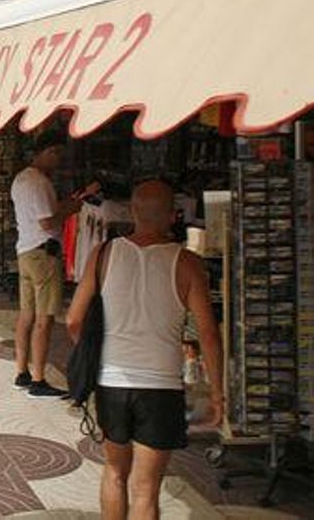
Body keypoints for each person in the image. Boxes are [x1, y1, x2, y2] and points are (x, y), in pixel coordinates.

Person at [66, 180, 224, 520]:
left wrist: (95, 354)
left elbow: (73, 320)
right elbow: (209, 335)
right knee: (146, 488)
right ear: (172, 215)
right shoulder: (188, 263)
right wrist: (217, 395)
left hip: (112, 381)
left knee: (114, 473)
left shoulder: (103, 254)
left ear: (132, 212)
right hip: (161, 386)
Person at [10, 131, 82, 398]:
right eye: (57, 154)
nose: (59, 161)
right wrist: (71, 208)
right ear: (46, 152)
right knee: (44, 319)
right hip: (43, 253)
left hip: (26, 251)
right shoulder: (39, 182)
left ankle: (22, 371)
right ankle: (38, 378)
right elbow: (47, 221)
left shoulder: (21, 179)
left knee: (26, 314)